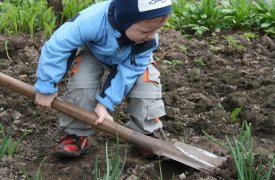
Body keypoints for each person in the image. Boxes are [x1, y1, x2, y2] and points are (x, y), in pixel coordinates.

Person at [34, 0, 171, 158]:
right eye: (145, 31)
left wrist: (106, 103)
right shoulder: (91, 21)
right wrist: (46, 86)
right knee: (82, 83)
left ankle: (146, 135)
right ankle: (77, 135)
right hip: (94, 52)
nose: (152, 36)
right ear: (125, 20)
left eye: (157, 30)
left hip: (131, 59)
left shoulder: (147, 40)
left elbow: (130, 70)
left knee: (147, 84)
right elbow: (57, 46)